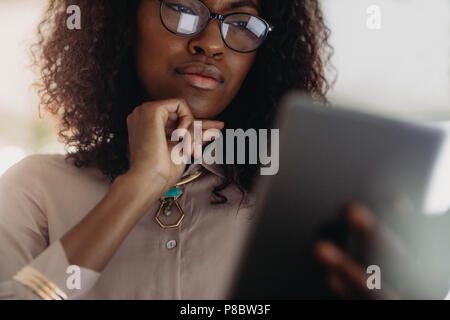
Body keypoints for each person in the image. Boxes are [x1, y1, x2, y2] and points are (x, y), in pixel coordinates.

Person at [1, 0, 428, 300]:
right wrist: (138, 187)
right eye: (184, 9)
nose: (212, 42)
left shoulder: (292, 202)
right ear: (123, 20)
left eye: (242, 22)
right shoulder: (35, 189)